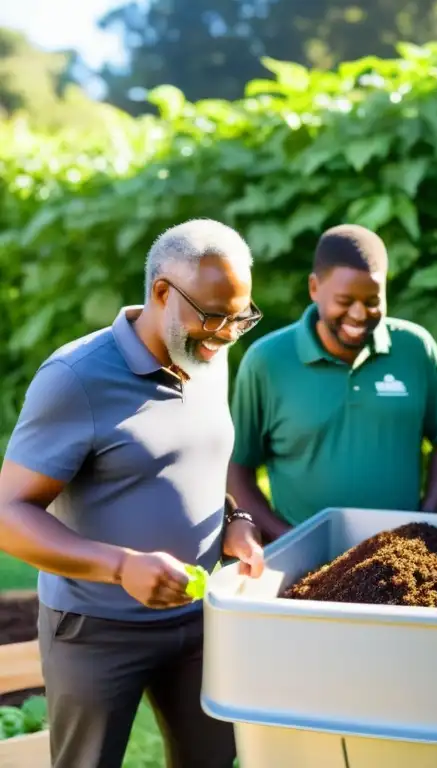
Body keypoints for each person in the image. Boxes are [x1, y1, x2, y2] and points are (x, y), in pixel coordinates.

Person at [0, 218, 266, 768]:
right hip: (96, 631)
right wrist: (121, 567)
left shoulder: (208, 358)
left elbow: (194, 464)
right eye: (213, 316)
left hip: (197, 618)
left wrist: (233, 516)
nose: (225, 334)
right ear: (162, 293)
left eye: (239, 318)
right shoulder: (75, 378)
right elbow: (7, 513)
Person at [228, 224, 437, 539]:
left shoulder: (415, 348)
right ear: (314, 288)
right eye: (345, 300)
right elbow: (237, 467)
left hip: (400, 558)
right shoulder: (267, 361)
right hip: (306, 561)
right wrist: (288, 538)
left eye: (372, 300)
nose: (359, 314)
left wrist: (425, 523)